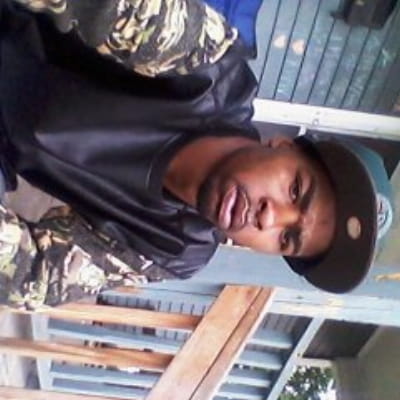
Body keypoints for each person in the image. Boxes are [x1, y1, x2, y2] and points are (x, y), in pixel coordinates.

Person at [0, 0, 394, 310]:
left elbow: (27, 277)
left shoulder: (173, 250)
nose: (269, 218)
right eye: (295, 191)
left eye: (287, 238)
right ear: (283, 146)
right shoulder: (206, 65)